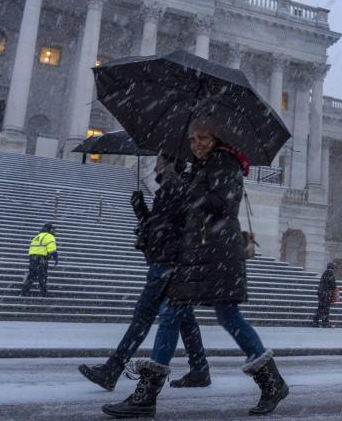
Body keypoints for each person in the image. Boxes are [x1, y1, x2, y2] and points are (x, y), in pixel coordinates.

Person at [102, 117, 288, 418]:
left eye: (203, 137)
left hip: (218, 252)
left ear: (216, 138)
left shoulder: (225, 163)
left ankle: (271, 382)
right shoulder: (204, 166)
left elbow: (222, 205)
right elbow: (192, 207)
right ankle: (147, 395)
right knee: (175, 313)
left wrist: (182, 186)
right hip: (200, 251)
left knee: (223, 316)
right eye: (192, 139)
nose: (196, 144)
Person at [79, 154, 210, 393]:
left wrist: (151, 229)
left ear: (169, 163)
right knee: (185, 319)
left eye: (160, 158)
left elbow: (166, 230)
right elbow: (161, 225)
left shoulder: (173, 187)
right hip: (170, 262)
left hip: (166, 263)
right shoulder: (170, 187)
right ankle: (200, 368)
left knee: (143, 316)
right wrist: (140, 209)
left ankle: (113, 370)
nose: (156, 162)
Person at [20, 222, 57, 297]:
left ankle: (24, 291)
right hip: (41, 258)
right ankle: (43, 293)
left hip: (33, 258)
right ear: (49, 229)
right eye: (53, 229)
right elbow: (51, 247)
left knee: (32, 275)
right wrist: (55, 256)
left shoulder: (37, 236)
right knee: (42, 275)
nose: (54, 231)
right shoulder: (49, 236)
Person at [313, 262, 338, 328]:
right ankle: (325, 323)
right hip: (326, 293)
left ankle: (315, 321)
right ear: (332, 267)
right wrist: (334, 288)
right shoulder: (330, 273)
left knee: (320, 308)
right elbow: (333, 284)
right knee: (326, 309)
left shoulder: (325, 273)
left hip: (321, 293)